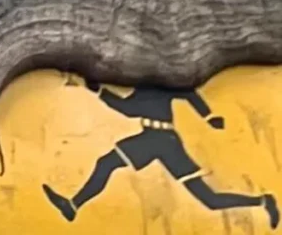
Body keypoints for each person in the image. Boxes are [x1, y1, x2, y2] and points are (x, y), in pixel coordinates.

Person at [42, 80, 278, 229]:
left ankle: (73, 205)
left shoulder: (159, 86)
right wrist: (97, 90)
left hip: (158, 140)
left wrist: (208, 117)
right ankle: (263, 201)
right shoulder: (141, 91)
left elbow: (188, 93)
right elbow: (126, 108)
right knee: (209, 200)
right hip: (162, 142)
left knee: (106, 163)